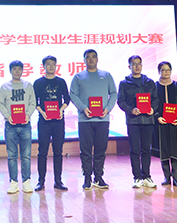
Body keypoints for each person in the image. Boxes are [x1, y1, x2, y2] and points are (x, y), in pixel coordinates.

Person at [70, 49, 117, 190]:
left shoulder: (106, 75)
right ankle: (87, 177)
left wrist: (107, 109)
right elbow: (73, 94)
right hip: (85, 120)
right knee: (85, 150)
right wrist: (83, 108)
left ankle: (98, 177)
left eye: (93, 57)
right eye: (88, 57)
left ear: (97, 59)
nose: (91, 59)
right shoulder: (78, 77)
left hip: (102, 119)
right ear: (84, 60)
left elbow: (113, 93)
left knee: (100, 149)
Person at [117, 55, 159, 188]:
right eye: (134, 64)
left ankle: (146, 176)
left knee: (146, 149)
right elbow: (120, 101)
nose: (136, 66)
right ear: (129, 66)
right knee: (134, 150)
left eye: (139, 63)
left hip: (148, 120)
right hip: (133, 121)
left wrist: (153, 109)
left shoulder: (149, 82)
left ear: (142, 65)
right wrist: (131, 110)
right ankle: (137, 177)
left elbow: (156, 100)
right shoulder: (124, 83)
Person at [33, 55, 70, 191]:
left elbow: (67, 99)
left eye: (53, 64)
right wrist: (42, 112)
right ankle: (41, 181)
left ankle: (58, 181)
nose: (51, 66)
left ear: (56, 66)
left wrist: (61, 110)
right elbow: (34, 101)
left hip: (58, 121)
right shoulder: (38, 83)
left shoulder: (61, 82)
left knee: (58, 151)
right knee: (42, 152)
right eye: (48, 64)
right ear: (44, 66)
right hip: (44, 121)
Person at [0, 60, 36, 194]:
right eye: (14, 69)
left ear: (23, 70)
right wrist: (7, 115)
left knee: (26, 155)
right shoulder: (4, 87)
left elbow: (33, 102)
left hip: (25, 125)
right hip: (10, 125)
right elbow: (0, 103)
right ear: (10, 71)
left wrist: (28, 114)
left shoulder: (28, 85)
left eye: (19, 69)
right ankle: (13, 182)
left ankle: (26, 181)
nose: (17, 71)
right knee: (12, 156)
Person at [152, 61, 177, 187]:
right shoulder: (154, 86)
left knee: (175, 151)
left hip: (174, 123)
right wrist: (157, 116)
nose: (166, 72)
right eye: (163, 70)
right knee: (164, 151)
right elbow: (152, 104)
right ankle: (166, 177)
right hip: (161, 124)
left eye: (168, 70)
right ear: (159, 72)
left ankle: (176, 177)